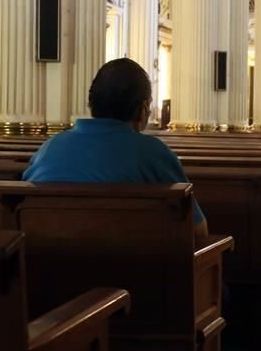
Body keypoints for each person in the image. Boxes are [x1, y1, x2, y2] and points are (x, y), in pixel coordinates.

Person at [23, 58, 207, 237]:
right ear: (143, 109)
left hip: (49, 263)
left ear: (92, 102)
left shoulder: (49, 148)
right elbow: (197, 231)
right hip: (132, 266)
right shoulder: (153, 153)